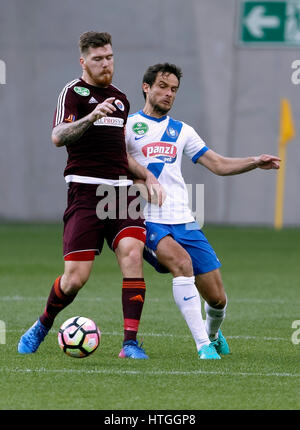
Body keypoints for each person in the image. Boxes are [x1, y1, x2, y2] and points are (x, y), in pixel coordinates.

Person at [17, 32, 163, 359]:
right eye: (98, 59)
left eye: (109, 57)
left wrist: (147, 175)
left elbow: (118, 154)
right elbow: (58, 136)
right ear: (83, 61)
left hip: (122, 194)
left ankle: (130, 343)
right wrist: (92, 116)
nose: (106, 63)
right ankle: (43, 323)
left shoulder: (121, 99)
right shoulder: (74, 93)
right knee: (75, 279)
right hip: (85, 193)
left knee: (131, 254)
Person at [125, 63, 281, 359]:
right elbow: (113, 166)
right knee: (181, 264)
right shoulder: (129, 126)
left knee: (218, 299)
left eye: (173, 89)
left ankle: (213, 334)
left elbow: (218, 164)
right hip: (147, 219)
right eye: (162, 86)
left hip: (184, 220)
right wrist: (139, 180)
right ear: (146, 87)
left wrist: (254, 160)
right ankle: (203, 346)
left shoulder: (182, 131)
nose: (168, 93)